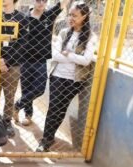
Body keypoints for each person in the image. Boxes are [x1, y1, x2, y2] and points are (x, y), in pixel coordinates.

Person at [36, 2, 97, 152]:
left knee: (61, 109)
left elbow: (87, 60)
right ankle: (46, 140)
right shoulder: (63, 32)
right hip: (58, 76)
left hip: (75, 80)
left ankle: (50, 136)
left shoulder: (90, 36)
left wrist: (68, 54)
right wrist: (75, 56)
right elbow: (55, 55)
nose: (70, 18)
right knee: (54, 107)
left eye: (74, 15)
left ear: (84, 17)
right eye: (69, 14)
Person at [14, 0, 69, 126]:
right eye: (38, 0)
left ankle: (17, 105)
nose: (41, 3)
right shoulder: (24, 18)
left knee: (39, 89)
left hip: (41, 60)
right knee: (26, 89)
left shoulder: (49, 15)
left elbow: (63, 3)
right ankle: (28, 115)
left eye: (44, 1)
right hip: (25, 59)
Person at [0, 0, 30, 136]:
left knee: (10, 95)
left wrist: (7, 62)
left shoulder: (22, 18)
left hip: (13, 64)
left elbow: (23, 44)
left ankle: (6, 120)